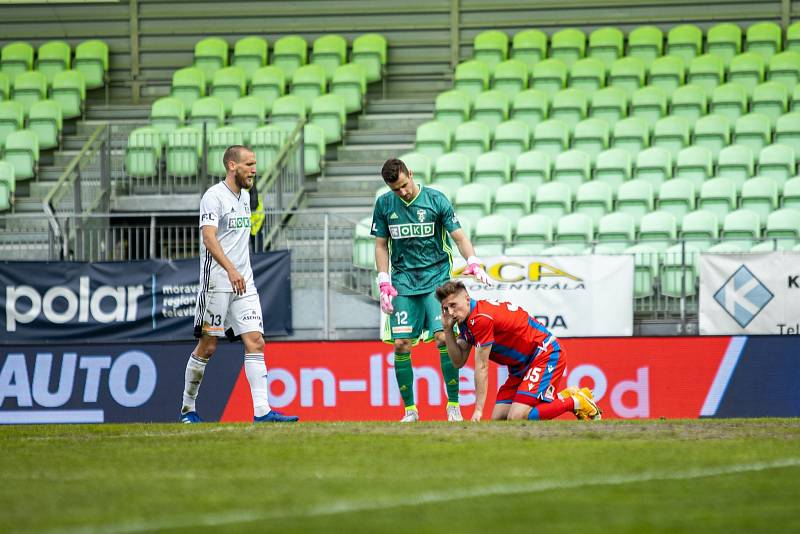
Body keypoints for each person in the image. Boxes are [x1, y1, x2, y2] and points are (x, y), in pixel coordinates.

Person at [180, 145, 298, 424]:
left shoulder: (246, 197)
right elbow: (209, 238)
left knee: (256, 341)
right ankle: (188, 408)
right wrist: (231, 269)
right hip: (218, 283)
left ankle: (262, 412)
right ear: (232, 165)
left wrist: (239, 272)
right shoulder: (213, 197)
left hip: (244, 282)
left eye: (255, 164)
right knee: (207, 347)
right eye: (249, 164)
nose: (254, 170)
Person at [371, 158, 491, 422]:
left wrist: (472, 261)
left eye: (404, 185)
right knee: (401, 344)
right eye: (395, 189)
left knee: (442, 339)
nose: (402, 192)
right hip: (402, 280)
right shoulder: (383, 205)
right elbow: (381, 245)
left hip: (436, 278)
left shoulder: (435, 200)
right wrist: (383, 280)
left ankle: (454, 405)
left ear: (410, 174)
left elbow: (458, 236)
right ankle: (410, 411)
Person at [436, 280, 601, 422]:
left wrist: (478, 410)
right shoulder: (466, 320)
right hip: (520, 367)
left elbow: (482, 367)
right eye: (445, 308)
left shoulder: (480, 319)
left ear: (466, 299)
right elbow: (458, 362)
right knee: (499, 418)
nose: (450, 312)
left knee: (517, 416)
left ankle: (575, 401)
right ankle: (565, 396)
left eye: (453, 305)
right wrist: (447, 329)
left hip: (544, 353)